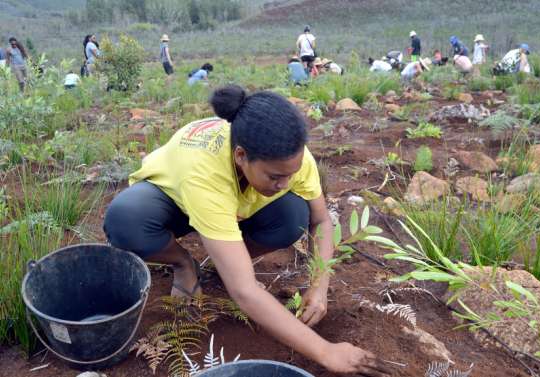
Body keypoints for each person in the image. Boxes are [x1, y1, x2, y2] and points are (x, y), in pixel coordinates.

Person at [103, 85, 395, 376]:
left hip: (235, 203)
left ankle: (229, 258)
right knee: (126, 222)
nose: (285, 183)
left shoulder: (290, 158)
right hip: (172, 202)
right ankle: (184, 263)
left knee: (294, 213)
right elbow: (243, 292)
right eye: (276, 176)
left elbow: (320, 221)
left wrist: (319, 286)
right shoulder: (205, 174)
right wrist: (326, 351)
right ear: (241, 155)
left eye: (291, 175)